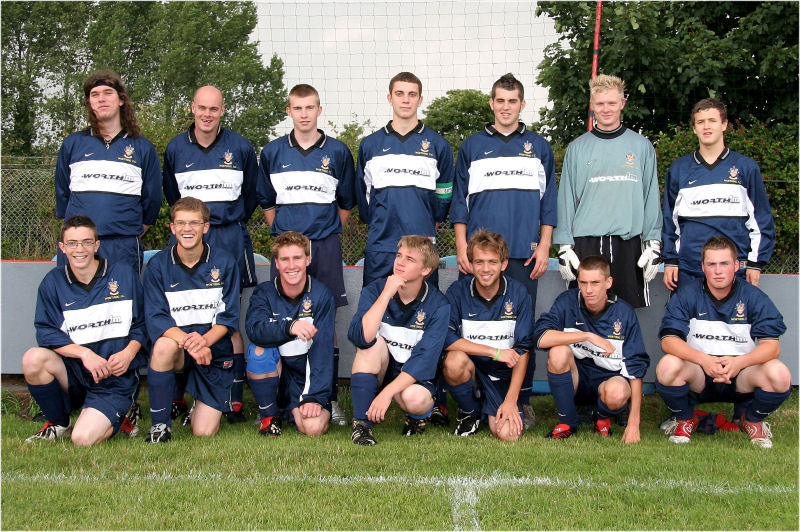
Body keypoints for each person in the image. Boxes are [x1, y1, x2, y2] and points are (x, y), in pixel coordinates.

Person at [450, 72, 557, 429]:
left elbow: (549, 203)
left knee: (518, 332)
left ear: (522, 105)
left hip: (524, 255)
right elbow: (460, 204)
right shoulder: (471, 146)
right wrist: (463, 246)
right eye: (500, 100)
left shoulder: (539, 147)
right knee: (480, 326)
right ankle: (475, 394)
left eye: (513, 101)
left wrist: (544, 245)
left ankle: (521, 400)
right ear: (492, 103)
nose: (506, 107)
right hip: (482, 257)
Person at [258, 84, 356, 426]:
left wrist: (323, 233)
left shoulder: (339, 152)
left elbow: (346, 204)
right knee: (278, 320)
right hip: (286, 248)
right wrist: (288, 238)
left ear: (319, 110)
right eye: (297, 108)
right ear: (289, 111)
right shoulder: (271, 152)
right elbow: (267, 202)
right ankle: (281, 400)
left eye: (310, 107)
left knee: (324, 324)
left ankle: (326, 397)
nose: (304, 114)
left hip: (325, 246)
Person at [162, 85, 259, 424]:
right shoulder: (175, 148)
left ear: (222, 110)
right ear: (192, 108)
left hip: (229, 236)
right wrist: (194, 226)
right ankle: (176, 397)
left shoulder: (241, 146)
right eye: (201, 107)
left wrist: (224, 223)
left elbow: (250, 197)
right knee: (181, 312)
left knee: (228, 319)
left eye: (213, 109)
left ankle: (232, 400)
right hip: (190, 237)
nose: (207, 114)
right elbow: (173, 197)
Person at [23, 215, 148, 445]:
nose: (79, 249)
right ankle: (58, 423)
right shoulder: (53, 283)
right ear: (62, 247)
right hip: (77, 373)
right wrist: (85, 354)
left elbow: (141, 324)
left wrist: (128, 353)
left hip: (113, 377)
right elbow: (46, 333)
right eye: (72, 243)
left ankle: (123, 414)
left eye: (86, 242)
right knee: (33, 359)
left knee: (82, 439)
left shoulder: (122, 274)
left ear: (96, 245)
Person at [655, 236, 790, 448]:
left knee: (780, 374)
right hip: (699, 371)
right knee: (667, 366)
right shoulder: (686, 294)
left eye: (724, 263)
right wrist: (705, 360)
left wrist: (740, 363)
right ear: (703, 267)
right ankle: (686, 418)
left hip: (741, 374)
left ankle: (752, 420)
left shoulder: (754, 297)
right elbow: (669, 341)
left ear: (736, 265)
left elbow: (772, 346)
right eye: (712, 264)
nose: (718, 271)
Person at [553, 74, 661, 308]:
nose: (606, 109)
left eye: (612, 103)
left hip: (629, 243)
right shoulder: (577, 148)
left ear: (622, 103)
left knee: (626, 312)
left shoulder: (641, 146)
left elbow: (651, 196)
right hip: (585, 243)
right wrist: (563, 244)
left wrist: (653, 242)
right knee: (582, 309)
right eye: (600, 104)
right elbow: (566, 200)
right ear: (592, 106)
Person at [142, 198, 241, 442]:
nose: (188, 229)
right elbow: (156, 317)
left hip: (213, 351)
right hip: (182, 350)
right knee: (163, 346)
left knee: (204, 432)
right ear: (172, 228)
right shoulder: (157, 266)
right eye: (181, 223)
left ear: (205, 227)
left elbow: (228, 318)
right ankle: (160, 425)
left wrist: (204, 342)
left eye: (194, 223)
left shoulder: (225, 262)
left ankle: (199, 402)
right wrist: (191, 344)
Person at [55, 69, 162, 275]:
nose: (101, 99)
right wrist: (78, 237)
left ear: (121, 100)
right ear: (89, 103)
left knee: (122, 304)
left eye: (107, 93)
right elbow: (62, 193)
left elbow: (152, 198)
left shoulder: (142, 148)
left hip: (122, 246)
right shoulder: (73, 144)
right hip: (79, 247)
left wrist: (129, 230)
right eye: (95, 95)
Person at [661, 98, 775, 291]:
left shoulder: (746, 167)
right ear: (694, 128)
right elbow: (669, 221)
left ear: (724, 124)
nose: (706, 126)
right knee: (684, 321)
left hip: (735, 269)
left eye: (712, 121)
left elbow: (761, 220)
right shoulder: (679, 169)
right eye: (700, 122)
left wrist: (756, 263)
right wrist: (670, 259)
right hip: (690, 269)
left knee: (734, 321)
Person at [534, 255, 649, 443]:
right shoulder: (566, 302)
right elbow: (539, 338)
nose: (589, 290)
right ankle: (567, 422)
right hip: (576, 378)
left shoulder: (624, 312)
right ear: (578, 282)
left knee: (618, 393)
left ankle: (601, 416)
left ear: (608, 282)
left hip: (608, 380)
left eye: (595, 283)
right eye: (583, 282)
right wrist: (587, 336)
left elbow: (636, 368)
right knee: (558, 352)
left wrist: (634, 424)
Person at [355, 72, 454, 289]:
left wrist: (426, 222)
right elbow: (363, 200)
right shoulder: (370, 145)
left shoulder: (438, 145)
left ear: (420, 99)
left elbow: (444, 196)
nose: (406, 100)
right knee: (375, 311)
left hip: (423, 249)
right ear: (390, 98)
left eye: (412, 94)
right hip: (381, 246)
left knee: (422, 315)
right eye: (399, 94)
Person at [348, 236, 450, 445]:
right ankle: (361, 425)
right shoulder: (376, 289)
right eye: (398, 255)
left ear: (425, 270)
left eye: (410, 259)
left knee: (417, 400)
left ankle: (416, 419)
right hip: (382, 368)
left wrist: (387, 393)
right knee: (370, 346)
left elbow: (424, 361)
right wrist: (386, 294)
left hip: (412, 378)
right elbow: (360, 337)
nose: (400, 262)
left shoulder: (438, 305)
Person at [441, 230, 532, 441]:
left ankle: (496, 404)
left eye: (492, 262)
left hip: (502, 376)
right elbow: (446, 338)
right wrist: (495, 352)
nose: (485, 269)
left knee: (508, 435)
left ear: (504, 264)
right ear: (471, 264)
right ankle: (470, 412)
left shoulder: (518, 293)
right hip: (471, 369)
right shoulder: (457, 291)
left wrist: (511, 400)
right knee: (453, 361)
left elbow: (524, 348)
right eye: (479, 262)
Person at [244, 231, 335, 437]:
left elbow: (323, 350)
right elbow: (254, 329)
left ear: (308, 259)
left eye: (297, 258)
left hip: (305, 378)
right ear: (276, 263)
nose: (291, 265)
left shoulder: (321, 295)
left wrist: (314, 396)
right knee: (258, 351)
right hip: (277, 374)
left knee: (313, 429)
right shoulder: (264, 293)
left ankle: (291, 407)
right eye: (285, 259)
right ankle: (270, 416)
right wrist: (289, 327)